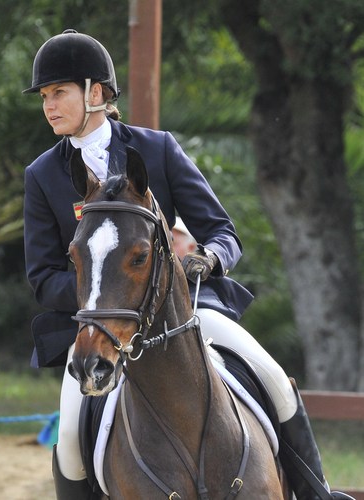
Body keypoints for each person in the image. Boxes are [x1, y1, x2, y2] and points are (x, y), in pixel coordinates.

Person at [22, 30, 352, 500]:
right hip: (100, 328)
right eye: (45, 96)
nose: (48, 105)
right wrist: (106, 296)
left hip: (186, 310)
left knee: (275, 378)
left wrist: (210, 258)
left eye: (58, 93)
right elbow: (42, 277)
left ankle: (319, 494)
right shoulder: (42, 175)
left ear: (95, 93)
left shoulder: (158, 150)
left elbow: (223, 230)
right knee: (72, 439)